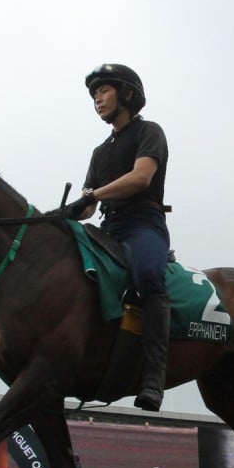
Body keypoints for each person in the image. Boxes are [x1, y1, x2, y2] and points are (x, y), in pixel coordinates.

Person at [65, 63, 172, 412]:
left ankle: (154, 377)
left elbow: (141, 178)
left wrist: (93, 195)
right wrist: (64, 213)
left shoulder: (149, 132)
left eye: (103, 90)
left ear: (126, 93)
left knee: (148, 275)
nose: (97, 98)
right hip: (108, 226)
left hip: (144, 223)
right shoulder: (99, 152)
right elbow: (87, 209)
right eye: (93, 94)